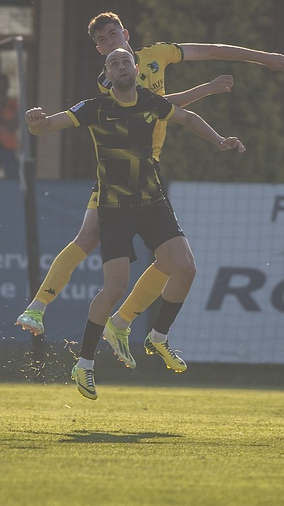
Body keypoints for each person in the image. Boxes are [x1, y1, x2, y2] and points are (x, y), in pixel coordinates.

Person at [16, 11, 284, 368]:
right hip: (118, 175)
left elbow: (211, 50)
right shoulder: (111, 78)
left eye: (112, 34)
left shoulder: (158, 54)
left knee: (171, 262)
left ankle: (121, 323)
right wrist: (206, 89)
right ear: (100, 53)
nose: (109, 42)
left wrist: (263, 57)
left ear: (126, 33)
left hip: (148, 173)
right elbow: (156, 105)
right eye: (101, 41)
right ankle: (40, 307)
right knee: (89, 238)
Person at [26, 48, 245, 399]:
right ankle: (84, 364)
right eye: (113, 63)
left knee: (185, 268)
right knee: (114, 288)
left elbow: (187, 118)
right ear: (108, 75)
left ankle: (158, 336)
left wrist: (219, 140)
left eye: (125, 61)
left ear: (136, 68)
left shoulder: (150, 101)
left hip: (152, 202)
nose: (121, 66)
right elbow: (47, 126)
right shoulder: (94, 107)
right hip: (114, 208)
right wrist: (35, 122)